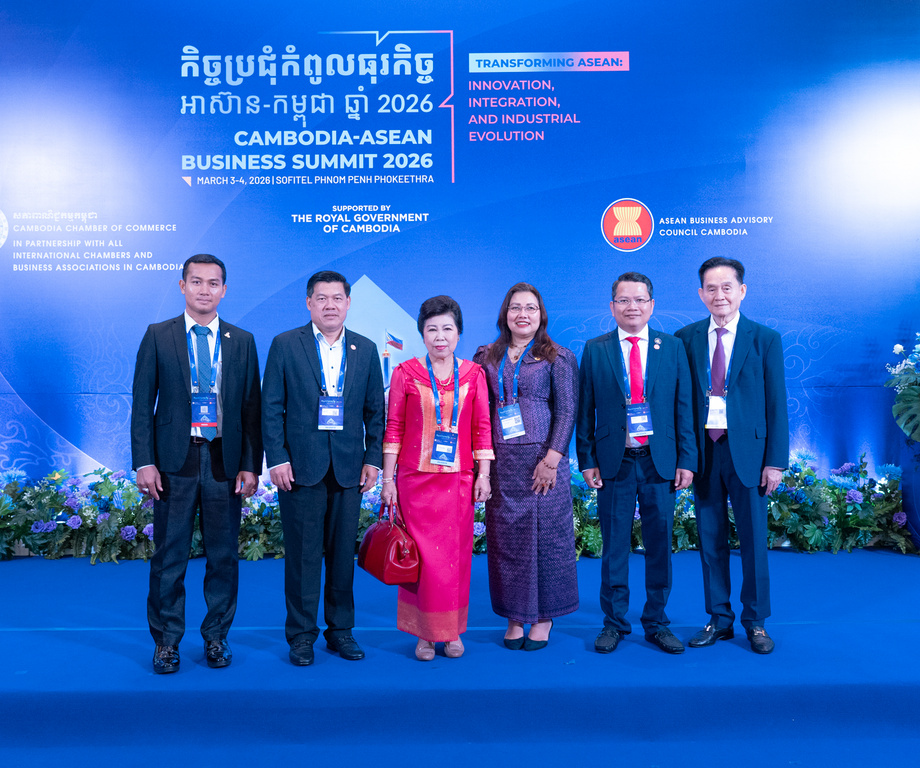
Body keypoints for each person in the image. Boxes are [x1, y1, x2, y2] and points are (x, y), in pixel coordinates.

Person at [132, 253, 262, 674]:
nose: (205, 290)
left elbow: (251, 409)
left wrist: (251, 464)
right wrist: (144, 462)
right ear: (182, 286)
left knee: (223, 556)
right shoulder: (159, 335)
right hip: (175, 460)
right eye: (197, 281)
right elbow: (141, 404)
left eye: (213, 283)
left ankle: (216, 637)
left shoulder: (242, 340)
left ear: (224, 290)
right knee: (169, 556)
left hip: (225, 459)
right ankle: (166, 642)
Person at [262, 270, 385, 666]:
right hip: (299, 468)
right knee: (302, 556)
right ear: (309, 303)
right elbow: (271, 407)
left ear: (348, 303)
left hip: (349, 469)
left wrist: (372, 459)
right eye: (321, 298)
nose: (330, 305)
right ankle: (301, 635)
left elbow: (375, 412)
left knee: (342, 555)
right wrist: (277, 457)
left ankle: (340, 631)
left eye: (337, 298)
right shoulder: (285, 344)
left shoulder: (366, 349)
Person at [576, 272, 696, 655]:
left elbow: (684, 409)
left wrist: (687, 460)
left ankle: (657, 622)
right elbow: (585, 411)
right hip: (615, 463)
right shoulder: (596, 349)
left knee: (659, 545)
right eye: (624, 300)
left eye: (640, 300)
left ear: (652, 305)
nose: (632, 307)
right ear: (612, 306)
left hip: (660, 463)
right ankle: (614, 623)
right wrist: (587, 460)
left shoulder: (672, 347)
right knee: (614, 547)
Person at [676, 257, 788, 654]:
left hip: (751, 456)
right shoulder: (685, 338)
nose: (719, 295)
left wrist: (775, 461)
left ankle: (755, 622)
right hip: (705, 452)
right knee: (710, 541)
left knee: (754, 542)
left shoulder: (765, 339)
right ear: (700, 294)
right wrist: (683, 456)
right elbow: (679, 403)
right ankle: (718, 619)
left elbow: (776, 404)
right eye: (711, 288)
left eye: (727, 287)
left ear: (742, 291)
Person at [380, 296, 494, 661]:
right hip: (414, 482)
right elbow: (394, 428)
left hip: (458, 482)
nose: (440, 337)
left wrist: (484, 475)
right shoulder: (405, 373)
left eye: (447, 329)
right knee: (422, 562)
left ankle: (452, 631)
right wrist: (387, 480)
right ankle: (424, 634)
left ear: (459, 333)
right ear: (422, 334)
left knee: (453, 560)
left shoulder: (474, 375)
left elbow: (482, 428)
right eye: (432, 329)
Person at [473, 282, 579, 651]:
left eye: (531, 308)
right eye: (515, 307)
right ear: (505, 313)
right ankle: (515, 616)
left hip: (542, 464)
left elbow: (567, 411)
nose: (523, 314)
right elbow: (479, 410)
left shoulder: (557, 357)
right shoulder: (486, 356)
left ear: (541, 315)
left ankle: (544, 617)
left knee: (547, 541)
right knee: (508, 544)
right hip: (501, 463)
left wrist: (553, 458)